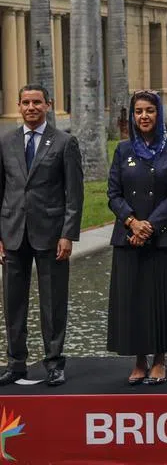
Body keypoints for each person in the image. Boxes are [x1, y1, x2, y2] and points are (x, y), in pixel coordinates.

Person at [106, 90, 167, 385]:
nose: (144, 116)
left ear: (159, 114)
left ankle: (159, 359)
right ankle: (139, 360)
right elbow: (113, 194)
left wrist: (149, 227)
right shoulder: (122, 151)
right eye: (138, 112)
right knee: (134, 300)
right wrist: (132, 223)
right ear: (133, 117)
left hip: (165, 238)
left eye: (150, 111)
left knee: (161, 300)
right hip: (128, 238)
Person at [0, 85, 83, 387]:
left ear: (48, 105)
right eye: (25, 102)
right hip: (12, 233)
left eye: (37, 102)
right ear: (19, 106)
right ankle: (16, 363)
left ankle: (54, 363)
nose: (31, 107)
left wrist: (68, 234)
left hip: (51, 235)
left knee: (53, 302)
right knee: (13, 303)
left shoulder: (64, 143)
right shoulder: (6, 143)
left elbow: (74, 195)